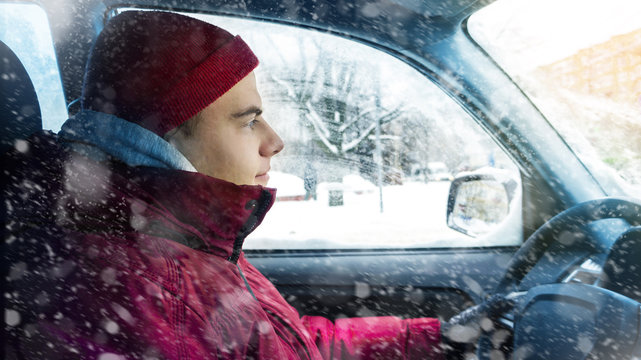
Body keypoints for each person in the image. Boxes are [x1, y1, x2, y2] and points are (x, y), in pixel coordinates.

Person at [3, 10, 506, 360]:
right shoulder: (149, 287)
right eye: (248, 121)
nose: (275, 141)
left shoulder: (182, 245)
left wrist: (440, 335)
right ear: (163, 138)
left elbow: (288, 346)